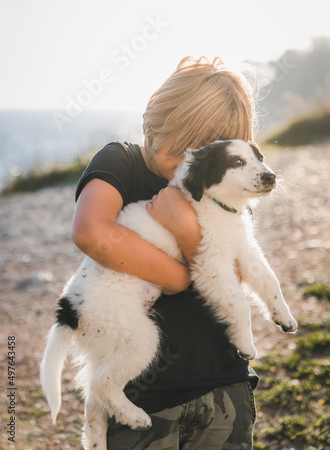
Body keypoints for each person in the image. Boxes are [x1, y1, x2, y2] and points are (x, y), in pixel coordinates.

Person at [72, 56, 259, 449]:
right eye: (187, 143)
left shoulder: (223, 189)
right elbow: (91, 232)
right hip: (142, 396)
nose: (194, 160)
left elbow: (236, 279)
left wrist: (183, 225)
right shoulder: (120, 162)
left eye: (211, 154)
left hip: (223, 384)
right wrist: (181, 279)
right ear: (157, 120)